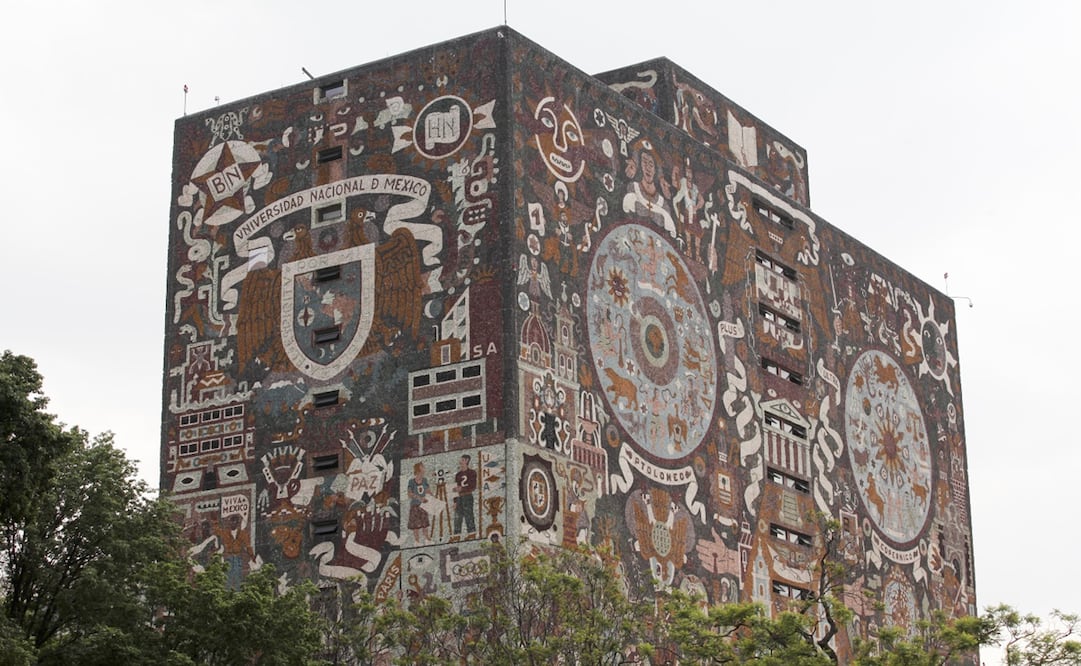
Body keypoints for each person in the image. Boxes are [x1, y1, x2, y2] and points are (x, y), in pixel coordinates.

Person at [452, 454, 477, 539]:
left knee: (468, 514)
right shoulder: (458, 475)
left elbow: (473, 486)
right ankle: (456, 535)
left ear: (466, 461)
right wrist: (455, 501)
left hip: (467, 496)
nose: (460, 461)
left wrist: (462, 488)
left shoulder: (472, 473)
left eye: (462, 460)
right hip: (459, 497)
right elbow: (455, 488)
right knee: (457, 516)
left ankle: (472, 533)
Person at [407, 462, 431, 544]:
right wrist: (419, 498)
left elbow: (428, 491)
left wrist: (433, 498)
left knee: (425, 524)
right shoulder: (411, 482)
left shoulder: (425, 480)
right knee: (415, 526)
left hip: (424, 505)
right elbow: (409, 494)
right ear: (418, 470)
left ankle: (427, 539)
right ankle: (417, 541)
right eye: (422, 467)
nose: (424, 469)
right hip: (415, 505)